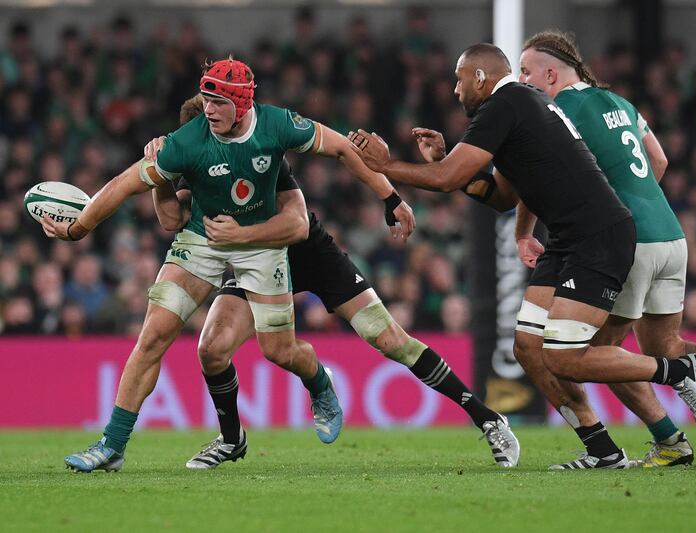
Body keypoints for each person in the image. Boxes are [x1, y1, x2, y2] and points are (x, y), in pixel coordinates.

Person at [349, 43, 696, 470]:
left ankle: (681, 372)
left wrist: (386, 165)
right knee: (528, 347)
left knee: (564, 356)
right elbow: (501, 195)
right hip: (567, 237)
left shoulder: (507, 104)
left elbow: (446, 179)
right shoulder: (519, 105)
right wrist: (449, 161)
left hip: (598, 235)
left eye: (460, 78)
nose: (454, 89)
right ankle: (601, 449)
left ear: (482, 78)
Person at [42, 57, 413, 473]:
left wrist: (389, 196)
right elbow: (125, 184)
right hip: (203, 237)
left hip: (260, 242)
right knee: (154, 334)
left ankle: (318, 382)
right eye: (205, 100)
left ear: (242, 103)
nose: (209, 110)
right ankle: (113, 444)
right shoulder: (188, 141)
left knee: (279, 350)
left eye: (217, 102)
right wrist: (79, 228)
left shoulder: (277, 125)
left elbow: (345, 148)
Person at [146, 94, 520, 469]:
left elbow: (341, 152)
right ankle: (234, 438)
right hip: (256, 262)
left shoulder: (261, 144)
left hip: (308, 252)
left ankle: (488, 418)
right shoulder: (196, 162)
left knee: (391, 340)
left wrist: (389, 196)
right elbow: (173, 217)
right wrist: (157, 174)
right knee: (211, 348)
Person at [515, 30, 696, 466]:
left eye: (526, 71)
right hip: (671, 236)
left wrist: (605, 218)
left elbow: (536, 179)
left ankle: (669, 442)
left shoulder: (558, 110)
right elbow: (659, 160)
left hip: (627, 242)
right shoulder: (621, 104)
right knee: (665, 343)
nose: (523, 79)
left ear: (550, 73)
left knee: (595, 355)